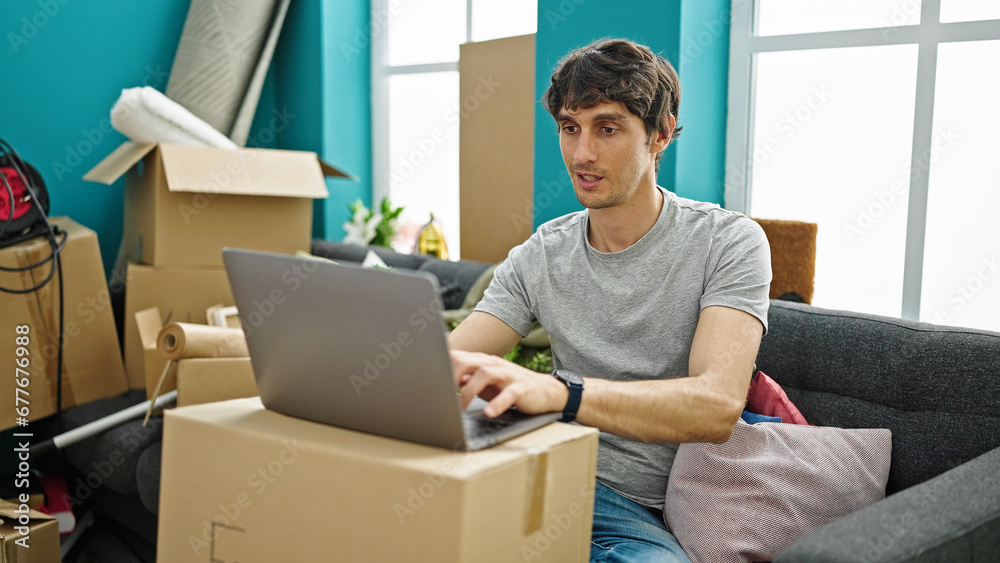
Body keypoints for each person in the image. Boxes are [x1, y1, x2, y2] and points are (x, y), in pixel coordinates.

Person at [447, 38, 771, 562]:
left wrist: (560, 393)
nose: (581, 155)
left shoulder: (727, 242)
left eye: (608, 127)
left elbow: (716, 407)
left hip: (629, 502)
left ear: (660, 133)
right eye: (570, 128)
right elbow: (452, 362)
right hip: (536, 462)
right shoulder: (541, 253)